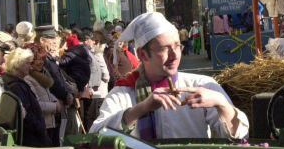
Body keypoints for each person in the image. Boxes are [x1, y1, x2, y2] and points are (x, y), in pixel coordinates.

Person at [90, 12, 249, 141]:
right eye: (164, 49)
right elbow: (94, 137)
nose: (175, 55)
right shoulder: (123, 92)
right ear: (142, 54)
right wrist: (141, 109)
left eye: (177, 46)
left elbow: (241, 138)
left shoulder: (203, 85)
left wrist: (222, 104)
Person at [2, 47, 50, 147]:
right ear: (17, 64)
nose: (31, 67)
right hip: (30, 139)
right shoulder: (16, 86)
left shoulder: (17, 83)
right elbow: (27, 115)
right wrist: (40, 129)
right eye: (28, 63)